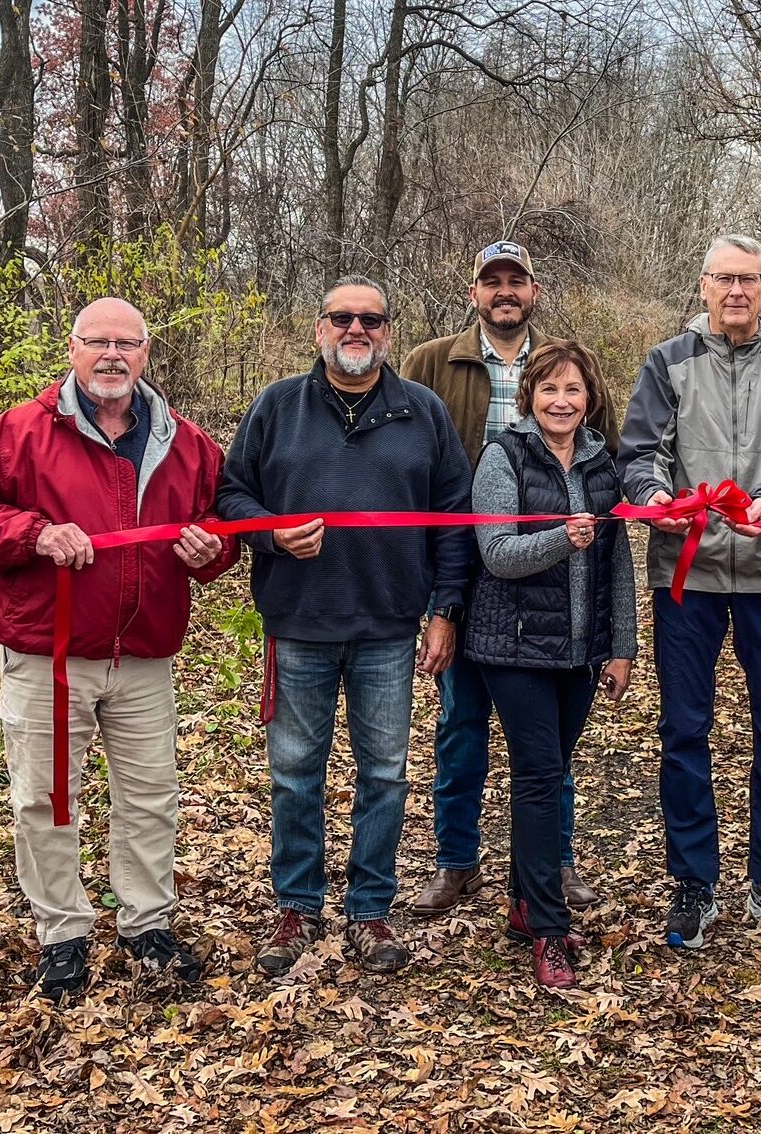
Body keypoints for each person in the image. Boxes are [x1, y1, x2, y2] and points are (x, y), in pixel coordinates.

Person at [0, 297, 238, 1002]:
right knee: (46, 800)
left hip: (144, 654)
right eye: (97, 342)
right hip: (50, 653)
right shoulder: (16, 434)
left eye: (126, 344)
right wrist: (33, 534)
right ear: (71, 349)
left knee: (151, 798)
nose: (112, 356)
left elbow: (220, 526)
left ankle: (147, 925)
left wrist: (211, 552)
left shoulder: (188, 444)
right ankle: (63, 934)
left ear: (146, 354)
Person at [215, 275, 474, 976]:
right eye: (342, 318)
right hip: (297, 621)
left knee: (385, 774)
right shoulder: (278, 406)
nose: (356, 329)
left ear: (388, 332)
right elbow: (232, 494)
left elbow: (455, 518)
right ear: (320, 329)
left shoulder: (421, 411)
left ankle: (370, 910)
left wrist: (445, 610)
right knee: (295, 773)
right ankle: (297, 905)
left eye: (371, 319)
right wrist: (270, 535)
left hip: (389, 626)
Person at [618, 234, 761, 950]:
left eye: (749, 279)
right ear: (703, 285)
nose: (736, 291)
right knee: (684, 727)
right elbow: (640, 451)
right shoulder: (666, 361)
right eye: (724, 279)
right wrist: (655, 497)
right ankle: (693, 882)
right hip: (689, 570)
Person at [399, 240, 615, 919]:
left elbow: (602, 464)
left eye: (516, 281)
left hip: (553, 582)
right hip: (463, 568)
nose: (505, 292)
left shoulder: (567, 365)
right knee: (462, 723)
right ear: (474, 293)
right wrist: (436, 593)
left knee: (548, 742)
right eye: (492, 282)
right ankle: (456, 860)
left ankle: (554, 860)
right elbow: (408, 463)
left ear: (534, 291)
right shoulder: (432, 362)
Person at [463, 341, 638, 988]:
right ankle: (547, 928)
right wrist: (563, 537)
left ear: (589, 398)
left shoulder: (601, 463)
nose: (561, 402)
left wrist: (622, 647)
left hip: (579, 650)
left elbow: (617, 561)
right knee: (539, 777)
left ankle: (523, 902)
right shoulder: (503, 456)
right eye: (549, 389)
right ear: (529, 396)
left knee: (549, 773)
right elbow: (497, 554)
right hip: (514, 646)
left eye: (573, 390)